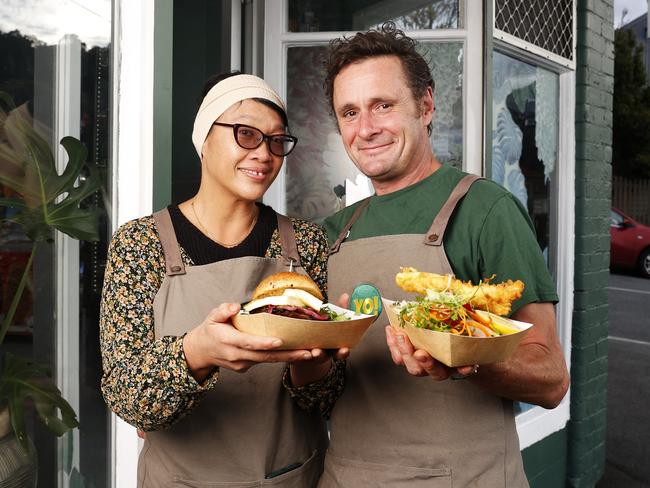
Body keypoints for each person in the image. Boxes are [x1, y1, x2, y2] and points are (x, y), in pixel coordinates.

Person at [320, 23, 570, 487]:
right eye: (349, 112)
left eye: (383, 105)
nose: (366, 128)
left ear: (427, 105)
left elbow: (551, 377)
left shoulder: (485, 209)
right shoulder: (333, 232)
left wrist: (465, 359)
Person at [100, 72, 345, 487]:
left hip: (289, 477)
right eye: (246, 134)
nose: (264, 154)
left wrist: (316, 363)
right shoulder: (141, 244)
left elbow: (327, 401)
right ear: (203, 137)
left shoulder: (305, 244)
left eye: (276, 140)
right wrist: (197, 351)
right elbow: (128, 398)